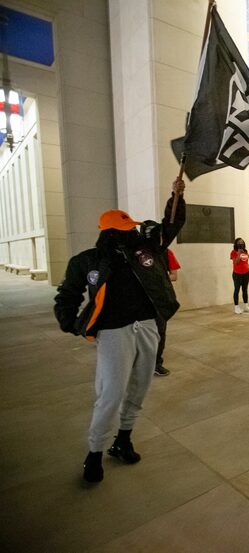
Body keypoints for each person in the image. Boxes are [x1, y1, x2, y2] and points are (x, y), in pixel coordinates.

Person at [54, 178, 186, 484]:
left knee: (140, 387)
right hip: (114, 333)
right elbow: (68, 295)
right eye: (127, 228)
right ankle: (94, 452)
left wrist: (176, 196)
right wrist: (71, 322)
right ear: (111, 231)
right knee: (110, 394)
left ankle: (123, 440)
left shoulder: (146, 249)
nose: (134, 231)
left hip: (149, 327)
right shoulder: (87, 261)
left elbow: (172, 223)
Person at [139, 219, 182, 377]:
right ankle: (141, 363)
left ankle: (156, 363)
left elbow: (174, 276)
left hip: (159, 300)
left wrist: (158, 278)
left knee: (159, 332)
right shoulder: (134, 253)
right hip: (140, 299)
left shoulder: (166, 252)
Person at [230, 238, 249, 314]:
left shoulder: (245, 251)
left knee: (245, 289)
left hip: (246, 273)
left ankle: (246, 306)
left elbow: (246, 261)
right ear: (236, 244)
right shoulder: (233, 252)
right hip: (237, 274)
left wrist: (248, 268)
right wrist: (239, 254)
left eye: (242, 243)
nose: (241, 244)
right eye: (239, 243)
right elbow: (236, 263)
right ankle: (236, 307)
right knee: (237, 290)